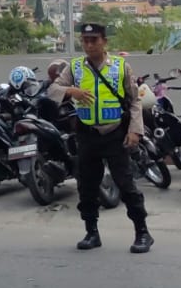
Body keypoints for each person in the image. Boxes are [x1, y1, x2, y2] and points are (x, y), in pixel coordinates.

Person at [47, 23, 154, 254]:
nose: (88, 44)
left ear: (104, 41)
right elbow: (52, 90)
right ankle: (91, 232)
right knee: (86, 186)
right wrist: (70, 91)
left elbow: (134, 100)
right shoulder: (74, 68)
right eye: (85, 40)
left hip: (115, 133)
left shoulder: (120, 67)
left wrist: (135, 130)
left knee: (126, 185)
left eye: (93, 40)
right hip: (87, 134)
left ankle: (142, 232)